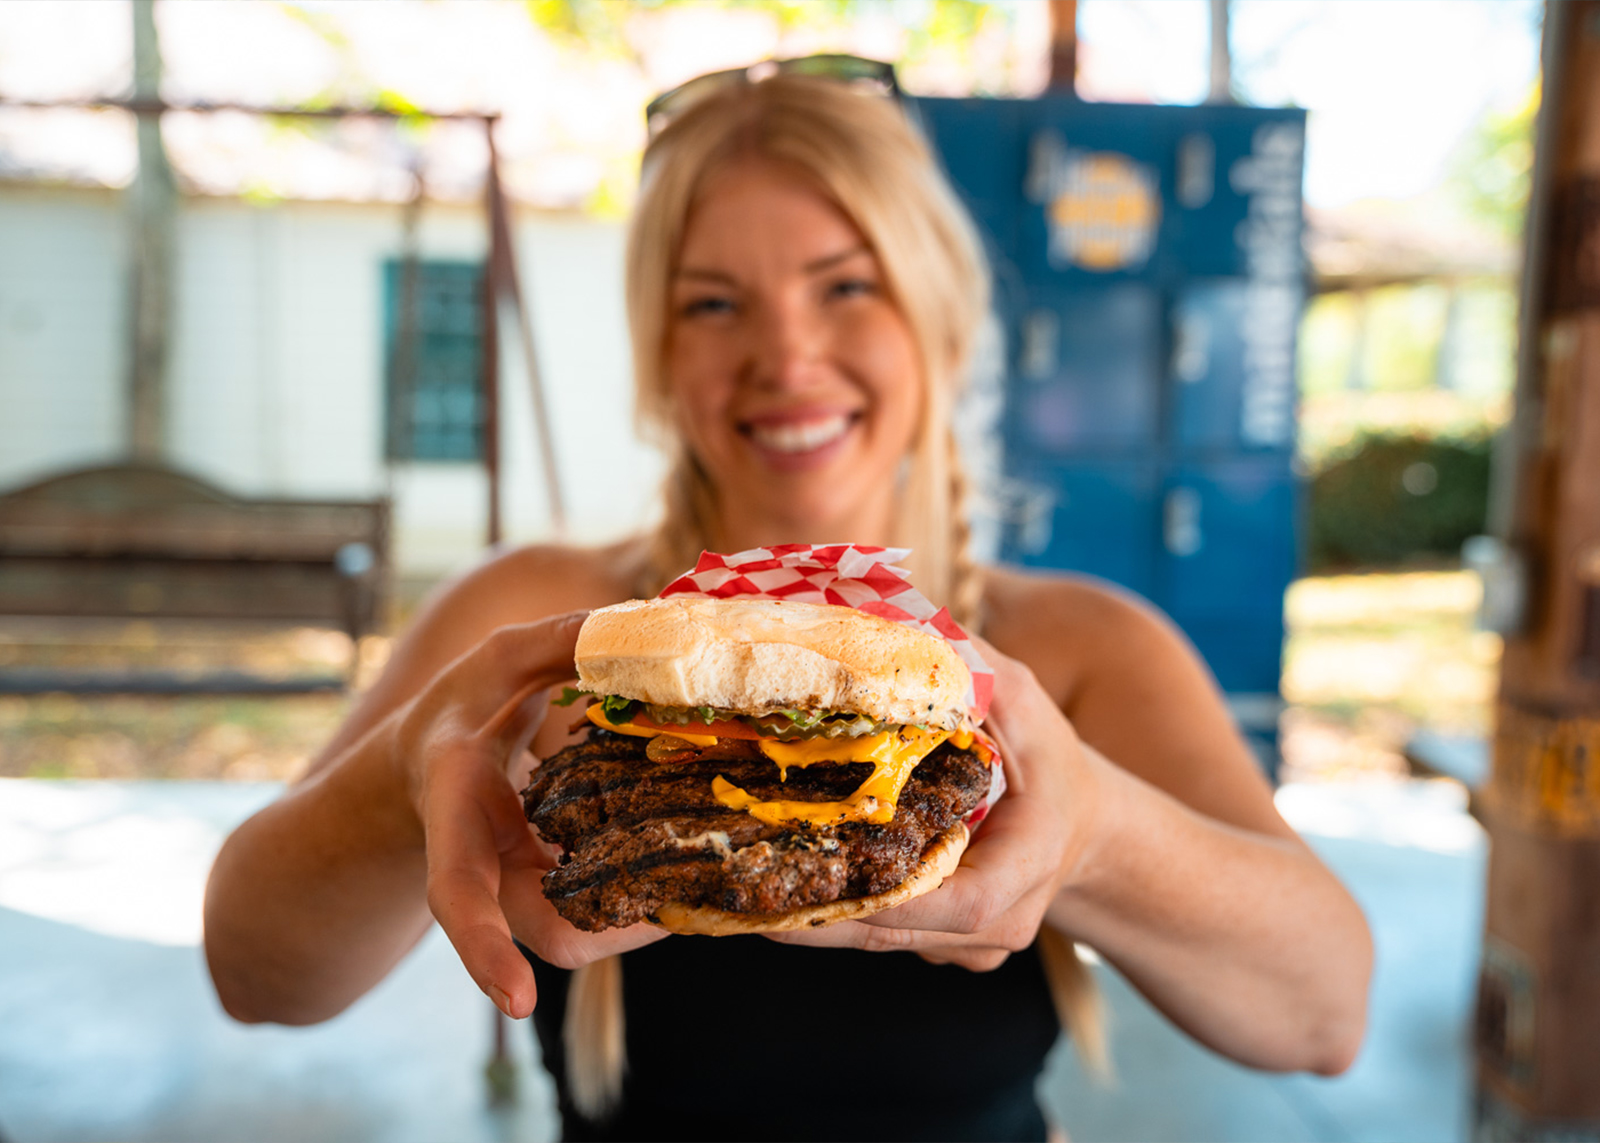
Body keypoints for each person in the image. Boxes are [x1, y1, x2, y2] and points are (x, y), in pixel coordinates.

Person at [203, 62, 1373, 1142]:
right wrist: (398, 781)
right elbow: (254, 980)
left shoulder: (1076, 651)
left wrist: (1098, 830)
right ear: (658, 355)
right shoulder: (540, 633)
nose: (788, 354)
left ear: (940, 317)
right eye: (713, 304)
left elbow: (1322, 1018)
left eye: (846, 285)